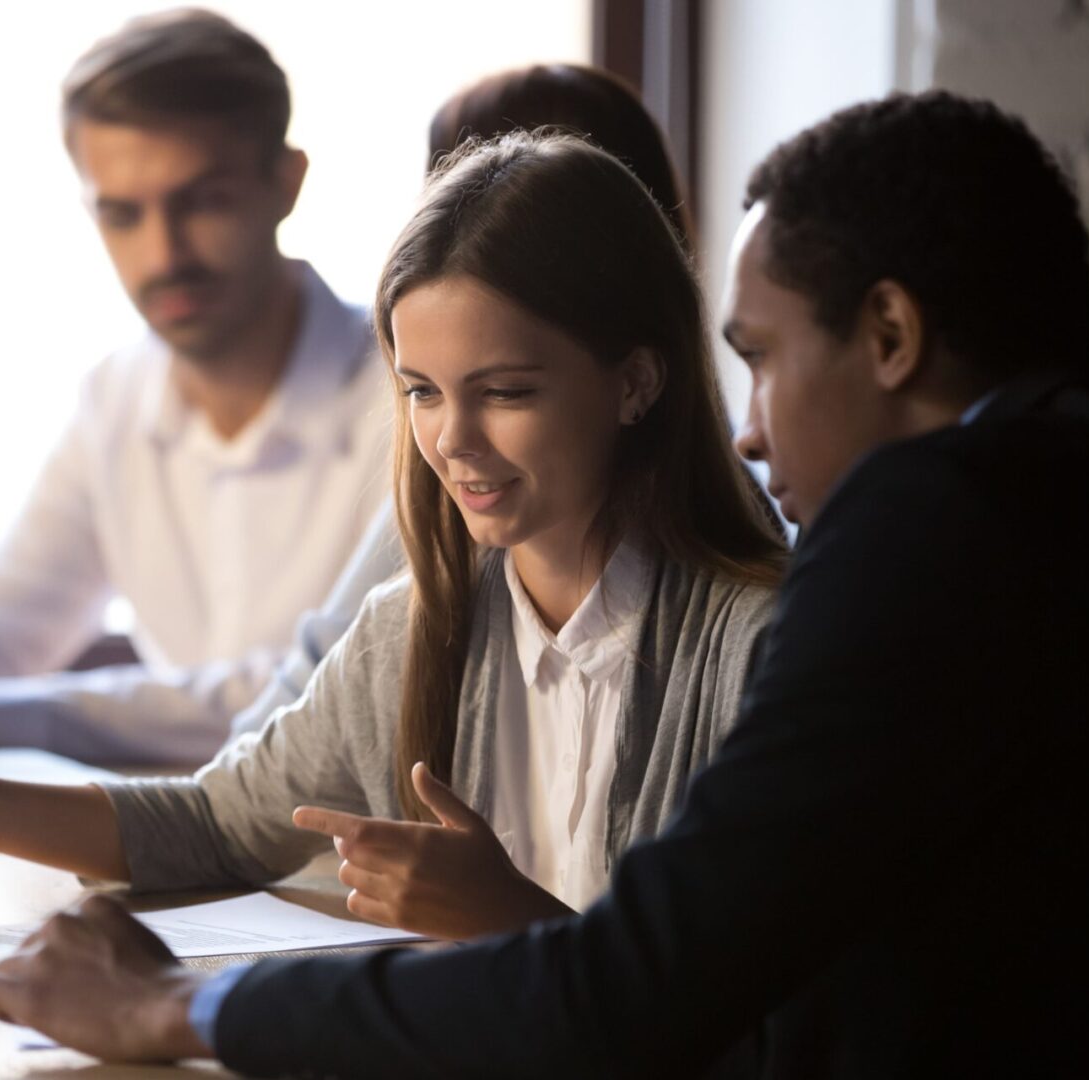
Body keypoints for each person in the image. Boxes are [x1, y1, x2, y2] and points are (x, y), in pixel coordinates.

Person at [0, 92, 1089, 1076]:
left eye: (762, 356)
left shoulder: (918, 538)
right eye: (421, 390)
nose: (747, 430)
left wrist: (183, 1011)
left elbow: (651, 995)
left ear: (889, 335)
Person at [0, 132, 785, 942]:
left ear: (636, 382)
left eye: (507, 392)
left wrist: (509, 922)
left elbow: (743, 998)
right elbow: (220, 821)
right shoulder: (418, 625)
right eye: (422, 393)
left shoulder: (765, 645)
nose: (453, 442)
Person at [0, 9, 389, 764]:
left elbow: (311, 692)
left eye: (203, 201)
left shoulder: (412, 401)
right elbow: (1, 623)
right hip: (191, 855)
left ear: (287, 183)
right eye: (122, 215)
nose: (163, 254)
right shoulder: (117, 398)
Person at [227, 62, 758, 742]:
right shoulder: (459, 511)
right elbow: (279, 742)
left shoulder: (735, 624)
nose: (452, 438)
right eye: (422, 390)